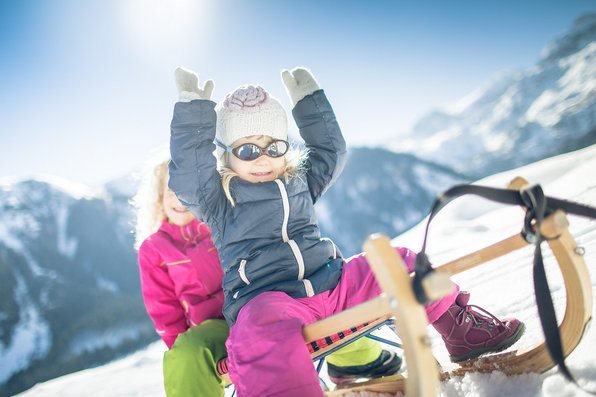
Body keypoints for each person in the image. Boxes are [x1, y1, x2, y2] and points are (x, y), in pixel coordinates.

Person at [168, 66, 525, 397]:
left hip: (332, 284)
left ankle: (462, 332)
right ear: (226, 157)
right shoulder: (220, 200)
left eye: (273, 146)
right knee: (259, 331)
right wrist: (193, 113)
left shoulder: (301, 183)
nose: (263, 158)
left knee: (396, 262)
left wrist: (310, 102)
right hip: (269, 300)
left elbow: (331, 151)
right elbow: (189, 178)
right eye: (248, 149)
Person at [133, 157, 402, 397]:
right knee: (187, 352)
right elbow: (163, 310)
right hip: (215, 325)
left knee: (315, 303)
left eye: (183, 191)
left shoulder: (220, 223)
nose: (178, 199)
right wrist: (184, 344)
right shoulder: (154, 249)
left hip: (255, 303)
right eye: (170, 192)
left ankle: (357, 359)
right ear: (158, 199)